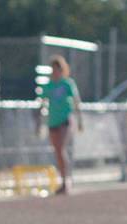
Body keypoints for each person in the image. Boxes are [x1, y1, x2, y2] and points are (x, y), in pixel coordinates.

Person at [38, 55, 83, 195]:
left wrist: (80, 120)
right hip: (53, 121)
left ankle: (67, 181)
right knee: (57, 151)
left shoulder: (67, 83)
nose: (55, 71)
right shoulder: (49, 85)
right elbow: (42, 103)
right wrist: (39, 122)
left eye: (58, 69)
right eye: (53, 69)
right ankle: (63, 180)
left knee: (61, 149)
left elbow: (76, 102)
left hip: (65, 120)